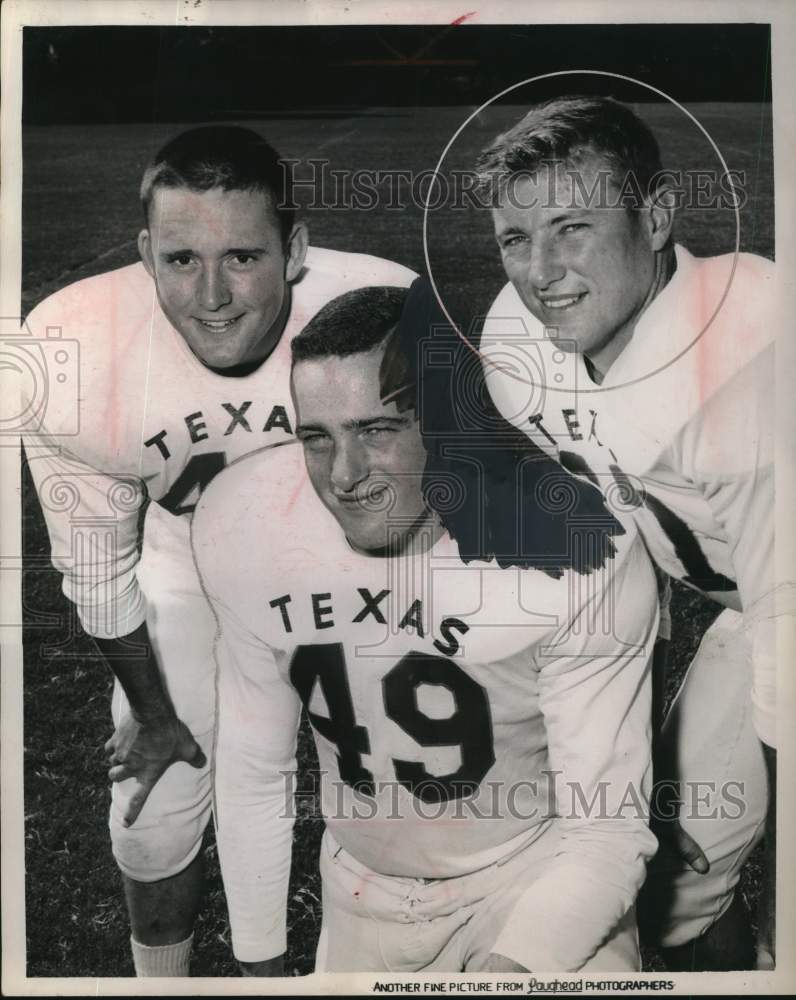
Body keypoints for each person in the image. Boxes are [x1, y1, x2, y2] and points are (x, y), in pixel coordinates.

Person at [22, 125, 414, 976]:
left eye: (242, 257)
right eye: (180, 260)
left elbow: (450, 489)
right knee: (157, 806)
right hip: (181, 557)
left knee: (410, 778)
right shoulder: (75, 350)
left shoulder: (387, 310)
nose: (211, 296)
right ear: (143, 254)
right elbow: (96, 571)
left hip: (343, 553)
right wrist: (156, 716)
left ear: (295, 249)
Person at [191, 280, 660, 974]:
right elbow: (257, 767)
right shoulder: (247, 523)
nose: (344, 475)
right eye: (316, 438)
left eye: (377, 430)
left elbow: (607, 829)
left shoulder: (570, 543)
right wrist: (260, 959)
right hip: (360, 891)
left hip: (532, 878)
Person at [475, 95, 784, 969]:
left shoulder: (748, 348)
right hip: (756, 601)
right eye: (514, 239)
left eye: (571, 227)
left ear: (654, 217)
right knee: (675, 891)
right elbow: (615, 557)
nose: (539, 271)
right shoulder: (519, 344)